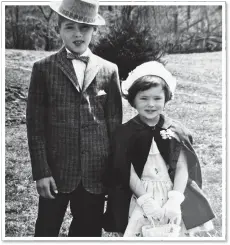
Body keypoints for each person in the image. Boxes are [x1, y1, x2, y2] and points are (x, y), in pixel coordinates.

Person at [26, 0, 122, 237]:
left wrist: (113, 173)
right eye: (69, 27)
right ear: (58, 29)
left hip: (95, 173)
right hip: (56, 172)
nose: (77, 34)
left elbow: (114, 125)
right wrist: (41, 172)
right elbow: (35, 126)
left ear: (94, 31)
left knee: (87, 232)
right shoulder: (43, 69)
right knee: (46, 230)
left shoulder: (109, 70)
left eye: (85, 28)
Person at [103, 61, 215, 237]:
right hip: (140, 193)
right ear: (133, 100)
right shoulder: (125, 133)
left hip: (170, 191)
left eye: (157, 98)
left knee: (172, 234)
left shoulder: (175, 130)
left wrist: (175, 199)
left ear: (166, 99)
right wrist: (145, 200)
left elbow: (182, 167)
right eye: (144, 98)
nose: (151, 104)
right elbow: (126, 170)